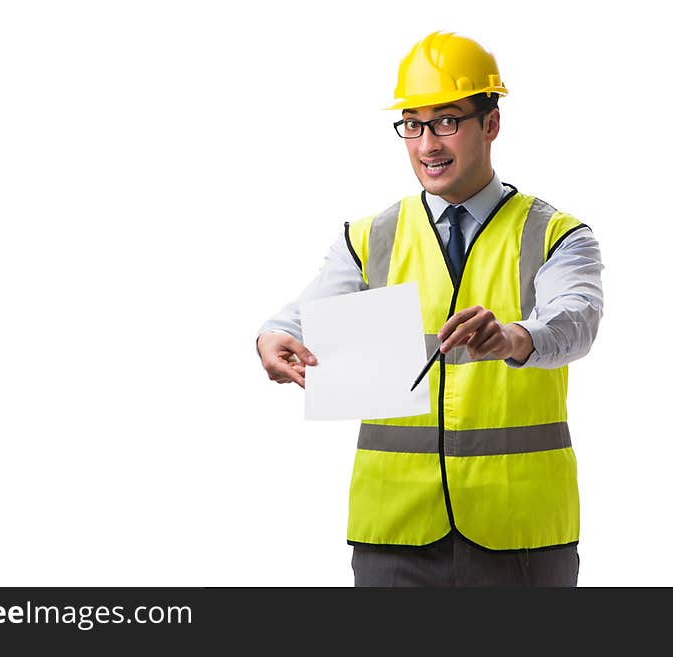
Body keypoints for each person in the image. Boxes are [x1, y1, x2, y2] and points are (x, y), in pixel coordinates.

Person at [256, 31, 604, 587]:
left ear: (491, 123)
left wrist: (515, 337)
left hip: (521, 533)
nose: (427, 145)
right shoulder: (371, 236)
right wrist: (271, 338)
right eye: (412, 124)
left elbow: (577, 319)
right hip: (394, 533)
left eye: (446, 121)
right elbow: (304, 314)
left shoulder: (556, 234)